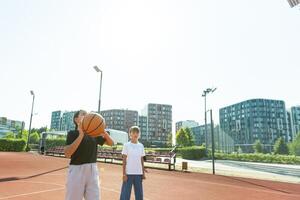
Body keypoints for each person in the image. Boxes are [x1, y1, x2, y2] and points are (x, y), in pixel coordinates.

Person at [64, 110, 114, 200]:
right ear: (76, 119)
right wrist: (81, 135)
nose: (86, 116)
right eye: (83, 114)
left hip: (92, 169)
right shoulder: (72, 133)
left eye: (87, 114)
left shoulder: (94, 134)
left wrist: (104, 132)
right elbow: (67, 153)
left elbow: (111, 143)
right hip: (77, 169)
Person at [120, 126, 146, 200]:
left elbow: (142, 160)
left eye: (137, 132)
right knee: (125, 194)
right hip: (128, 173)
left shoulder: (141, 146)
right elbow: (124, 160)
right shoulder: (126, 145)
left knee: (139, 194)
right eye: (133, 132)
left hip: (138, 173)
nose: (135, 134)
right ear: (130, 134)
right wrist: (124, 174)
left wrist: (143, 173)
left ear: (139, 134)